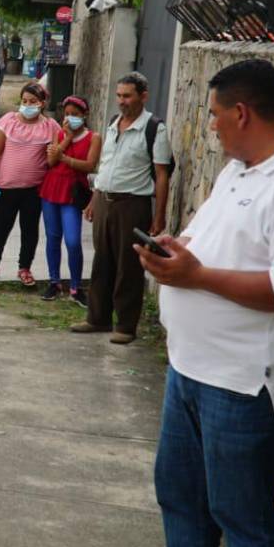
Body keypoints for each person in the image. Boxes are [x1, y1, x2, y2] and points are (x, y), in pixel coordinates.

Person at [134, 59, 274, 547]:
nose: (210, 125)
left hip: (243, 386)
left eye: (214, 114)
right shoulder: (238, 170)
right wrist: (176, 249)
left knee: (243, 523)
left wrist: (196, 276)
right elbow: (204, 238)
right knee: (182, 504)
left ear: (242, 113)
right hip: (187, 371)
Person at [70, 72, 170, 344]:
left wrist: (159, 215)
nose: (122, 101)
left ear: (143, 96)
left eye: (127, 96)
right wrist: (94, 199)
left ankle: (125, 325)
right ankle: (97, 318)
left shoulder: (154, 129)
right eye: (119, 95)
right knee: (102, 261)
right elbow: (107, 166)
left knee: (129, 266)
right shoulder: (114, 123)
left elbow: (162, 174)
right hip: (105, 201)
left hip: (132, 204)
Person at [0, 82, 61, 288]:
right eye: (24, 101)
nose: (27, 105)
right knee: (1, 229)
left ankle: (24, 268)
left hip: (34, 190)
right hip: (6, 188)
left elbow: (54, 156)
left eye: (33, 102)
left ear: (42, 103)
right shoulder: (9, 121)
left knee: (30, 231)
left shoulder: (50, 126)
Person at [39, 95, 100, 304]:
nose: (70, 118)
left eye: (75, 114)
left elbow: (89, 165)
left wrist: (64, 158)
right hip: (51, 188)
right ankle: (54, 281)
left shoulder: (93, 137)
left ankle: (76, 286)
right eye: (67, 114)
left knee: (73, 241)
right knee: (53, 237)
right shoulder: (58, 133)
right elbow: (50, 161)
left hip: (73, 192)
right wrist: (66, 138)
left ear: (84, 115)